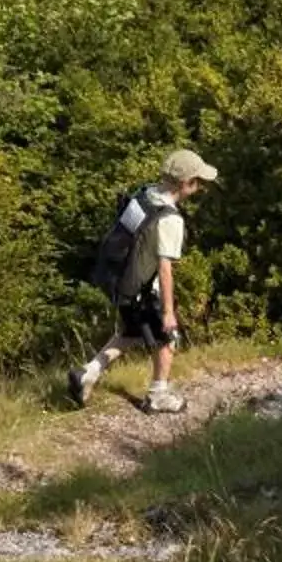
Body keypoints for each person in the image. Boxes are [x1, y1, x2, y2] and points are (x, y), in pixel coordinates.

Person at [68, 149, 217, 412]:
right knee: (167, 337)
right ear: (186, 183)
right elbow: (165, 268)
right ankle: (158, 395)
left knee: (130, 333)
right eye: (198, 181)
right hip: (145, 290)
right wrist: (169, 312)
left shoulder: (145, 194)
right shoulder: (170, 219)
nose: (200, 186)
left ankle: (87, 373)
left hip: (122, 283)